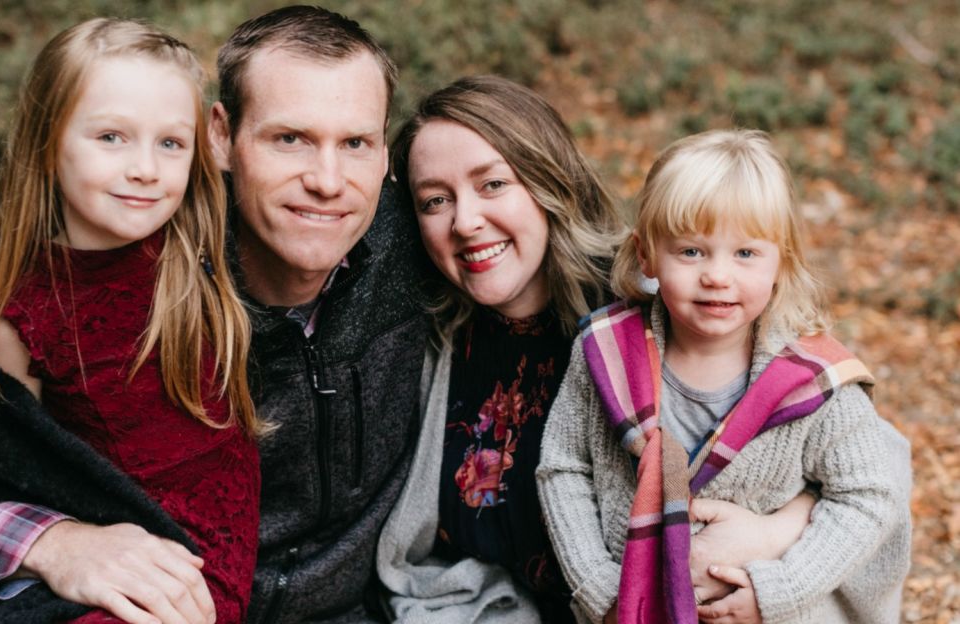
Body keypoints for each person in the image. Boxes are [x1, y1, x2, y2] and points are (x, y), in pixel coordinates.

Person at [0, 7, 428, 624]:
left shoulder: (416, 246)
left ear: (384, 152)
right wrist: (51, 543)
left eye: (355, 143)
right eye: (288, 138)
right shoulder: (157, 265)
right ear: (219, 136)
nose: (327, 180)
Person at [376, 79, 819, 623]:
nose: (465, 222)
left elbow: (857, 452)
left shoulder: (659, 306)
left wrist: (778, 529)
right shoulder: (420, 337)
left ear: (547, 182)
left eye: (492, 184)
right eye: (435, 200)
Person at [0, 17, 261, 623]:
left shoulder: (197, 256)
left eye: (170, 143)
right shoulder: (21, 314)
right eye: (112, 138)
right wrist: (53, 548)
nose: (146, 168)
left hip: (201, 573)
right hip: (115, 567)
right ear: (49, 142)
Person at [536, 129, 912, 623]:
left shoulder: (812, 381)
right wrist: (601, 591)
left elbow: (869, 496)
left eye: (745, 254)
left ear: (782, 262)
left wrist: (777, 590)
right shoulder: (604, 353)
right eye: (691, 251)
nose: (717, 275)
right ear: (647, 254)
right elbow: (564, 468)